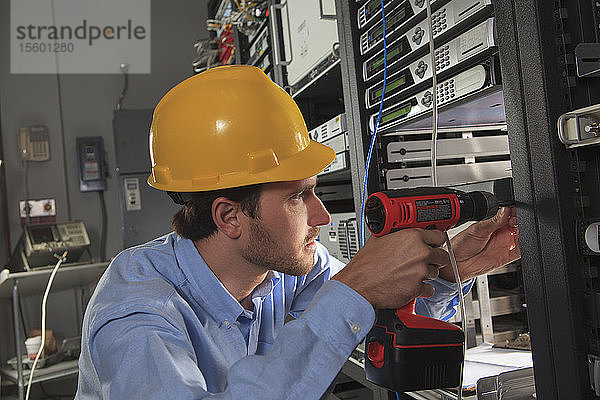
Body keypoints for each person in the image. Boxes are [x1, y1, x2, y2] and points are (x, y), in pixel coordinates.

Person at [75, 65, 519, 399]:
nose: (323, 216)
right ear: (230, 217)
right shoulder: (137, 312)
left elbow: (372, 322)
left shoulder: (281, 267)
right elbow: (351, 301)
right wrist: (355, 287)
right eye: (297, 197)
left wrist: (453, 267)